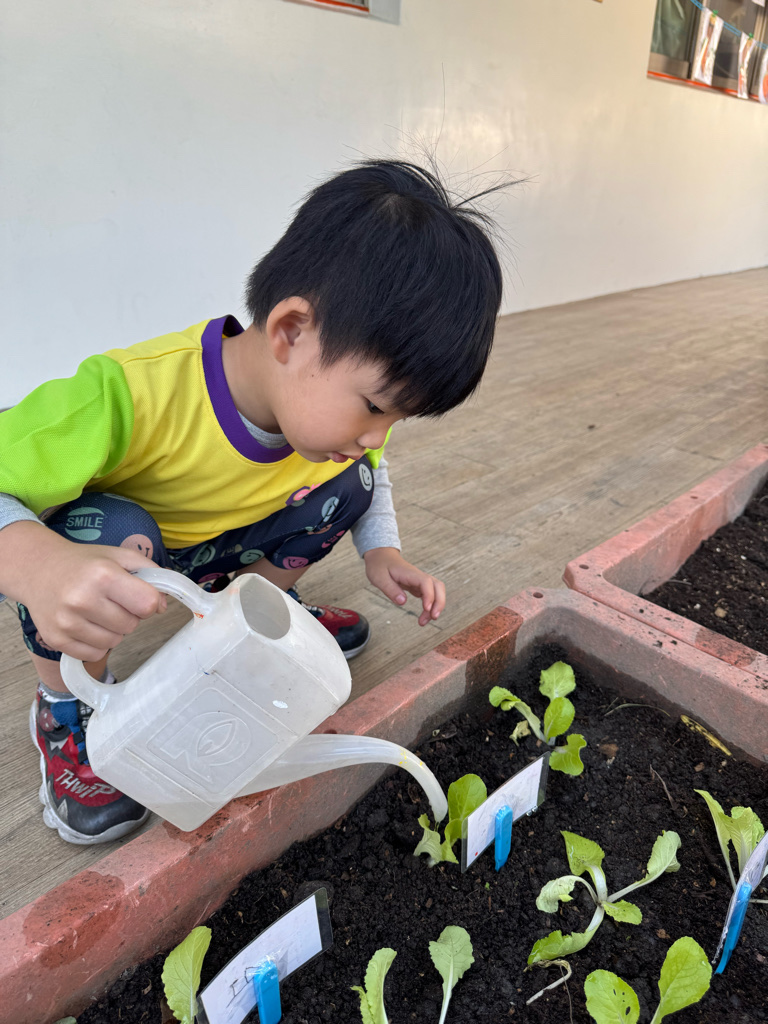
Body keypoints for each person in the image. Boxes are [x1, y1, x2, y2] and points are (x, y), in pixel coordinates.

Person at [0, 160, 505, 844]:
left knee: (349, 483)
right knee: (110, 525)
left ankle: (251, 623)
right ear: (291, 331)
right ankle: (66, 708)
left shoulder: (337, 423)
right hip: (124, 561)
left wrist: (382, 550)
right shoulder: (127, 394)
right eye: (375, 407)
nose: (377, 434)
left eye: (397, 419)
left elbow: (373, 469)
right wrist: (37, 566)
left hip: (217, 555)